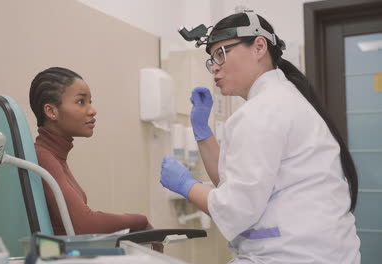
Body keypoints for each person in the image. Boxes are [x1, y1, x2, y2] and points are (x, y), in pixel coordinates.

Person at [160, 10, 360, 263]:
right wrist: (203, 131)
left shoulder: (264, 109)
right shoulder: (282, 99)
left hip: (293, 256)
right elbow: (234, 182)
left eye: (222, 53)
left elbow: (235, 209)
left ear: (259, 47)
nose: (216, 67)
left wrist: (187, 186)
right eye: (212, 60)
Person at [29, 67, 162, 251]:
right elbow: (85, 225)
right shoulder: (43, 157)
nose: (92, 110)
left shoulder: (53, 156)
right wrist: (140, 220)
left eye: (90, 102)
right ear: (51, 111)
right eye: (81, 101)